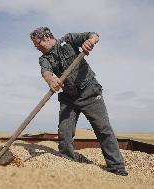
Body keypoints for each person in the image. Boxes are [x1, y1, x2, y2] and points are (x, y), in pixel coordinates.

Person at [30, 27, 128, 176]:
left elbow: (93, 35)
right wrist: (51, 80)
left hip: (89, 92)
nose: (36, 48)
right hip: (68, 98)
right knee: (65, 132)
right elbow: (46, 72)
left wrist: (90, 41)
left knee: (103, 129)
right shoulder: (43, 58)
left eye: (37, 44)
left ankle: (116, 167)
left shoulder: (68, 40)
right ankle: (67, 162)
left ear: (46, 38)